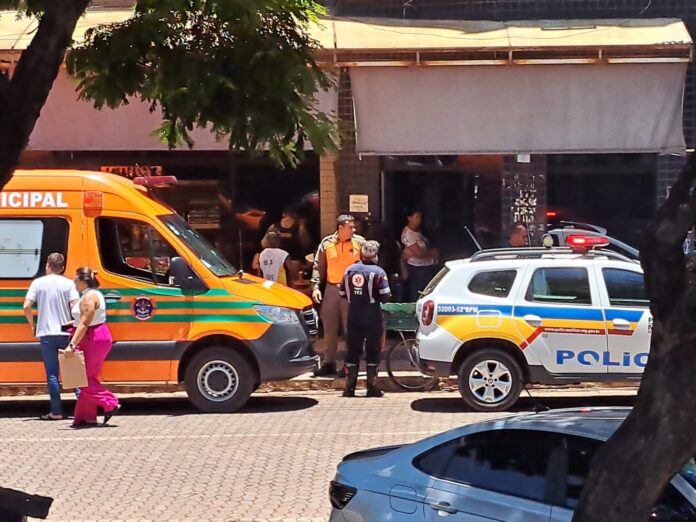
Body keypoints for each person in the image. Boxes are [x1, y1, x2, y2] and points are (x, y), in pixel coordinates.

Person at [22, 253, 80, 421]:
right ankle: (85, 408)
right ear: (62, 268)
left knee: (52, 374)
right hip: (65, 333)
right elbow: (75, 306)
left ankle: (56, 411)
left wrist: (33, 325)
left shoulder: (38, 283)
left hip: (46, 333)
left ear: (48, 265)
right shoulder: (69, 284)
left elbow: (26, 306)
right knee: (73, 372)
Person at [64, 267, 120, 428]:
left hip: (92, 338)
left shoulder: (89, 298)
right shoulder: (90, 295)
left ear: (83, 281)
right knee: (86, 377)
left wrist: (71, 345)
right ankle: (86, 417)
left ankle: (111, 403)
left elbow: (84, 323)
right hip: (92, 337)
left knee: (82, 379)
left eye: (76, 280)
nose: (74, 282)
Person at [311, 215, 364, 377]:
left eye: (354, 227)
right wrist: (315, 287)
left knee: (351, 329)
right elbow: (318, 266)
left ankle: (350, 365)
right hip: (332, 289)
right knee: (329, 327)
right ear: (340, 228)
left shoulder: (360, 242)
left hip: (352, 290)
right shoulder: (327, 243)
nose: (353, 230)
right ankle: (329, 362)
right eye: (350, 227)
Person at [340, 241, 392, 397]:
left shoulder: (349, 270)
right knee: (373, 350)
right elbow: (385, 295)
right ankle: (372, 388)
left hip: (353, 314)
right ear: (375, 255)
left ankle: (349, 388)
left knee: (352, 350)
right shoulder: (379, 272)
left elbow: (342, 293)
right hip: (372, 315)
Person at [401, 209, 438, 302]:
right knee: (418, 294)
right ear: (409, 218)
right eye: (416, 217)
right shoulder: (408, 234)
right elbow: (419, 254)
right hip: (418, 269)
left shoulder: (418, 232)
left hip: (427, 266)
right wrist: (432, 253)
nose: (419, 220)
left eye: (420, 217)